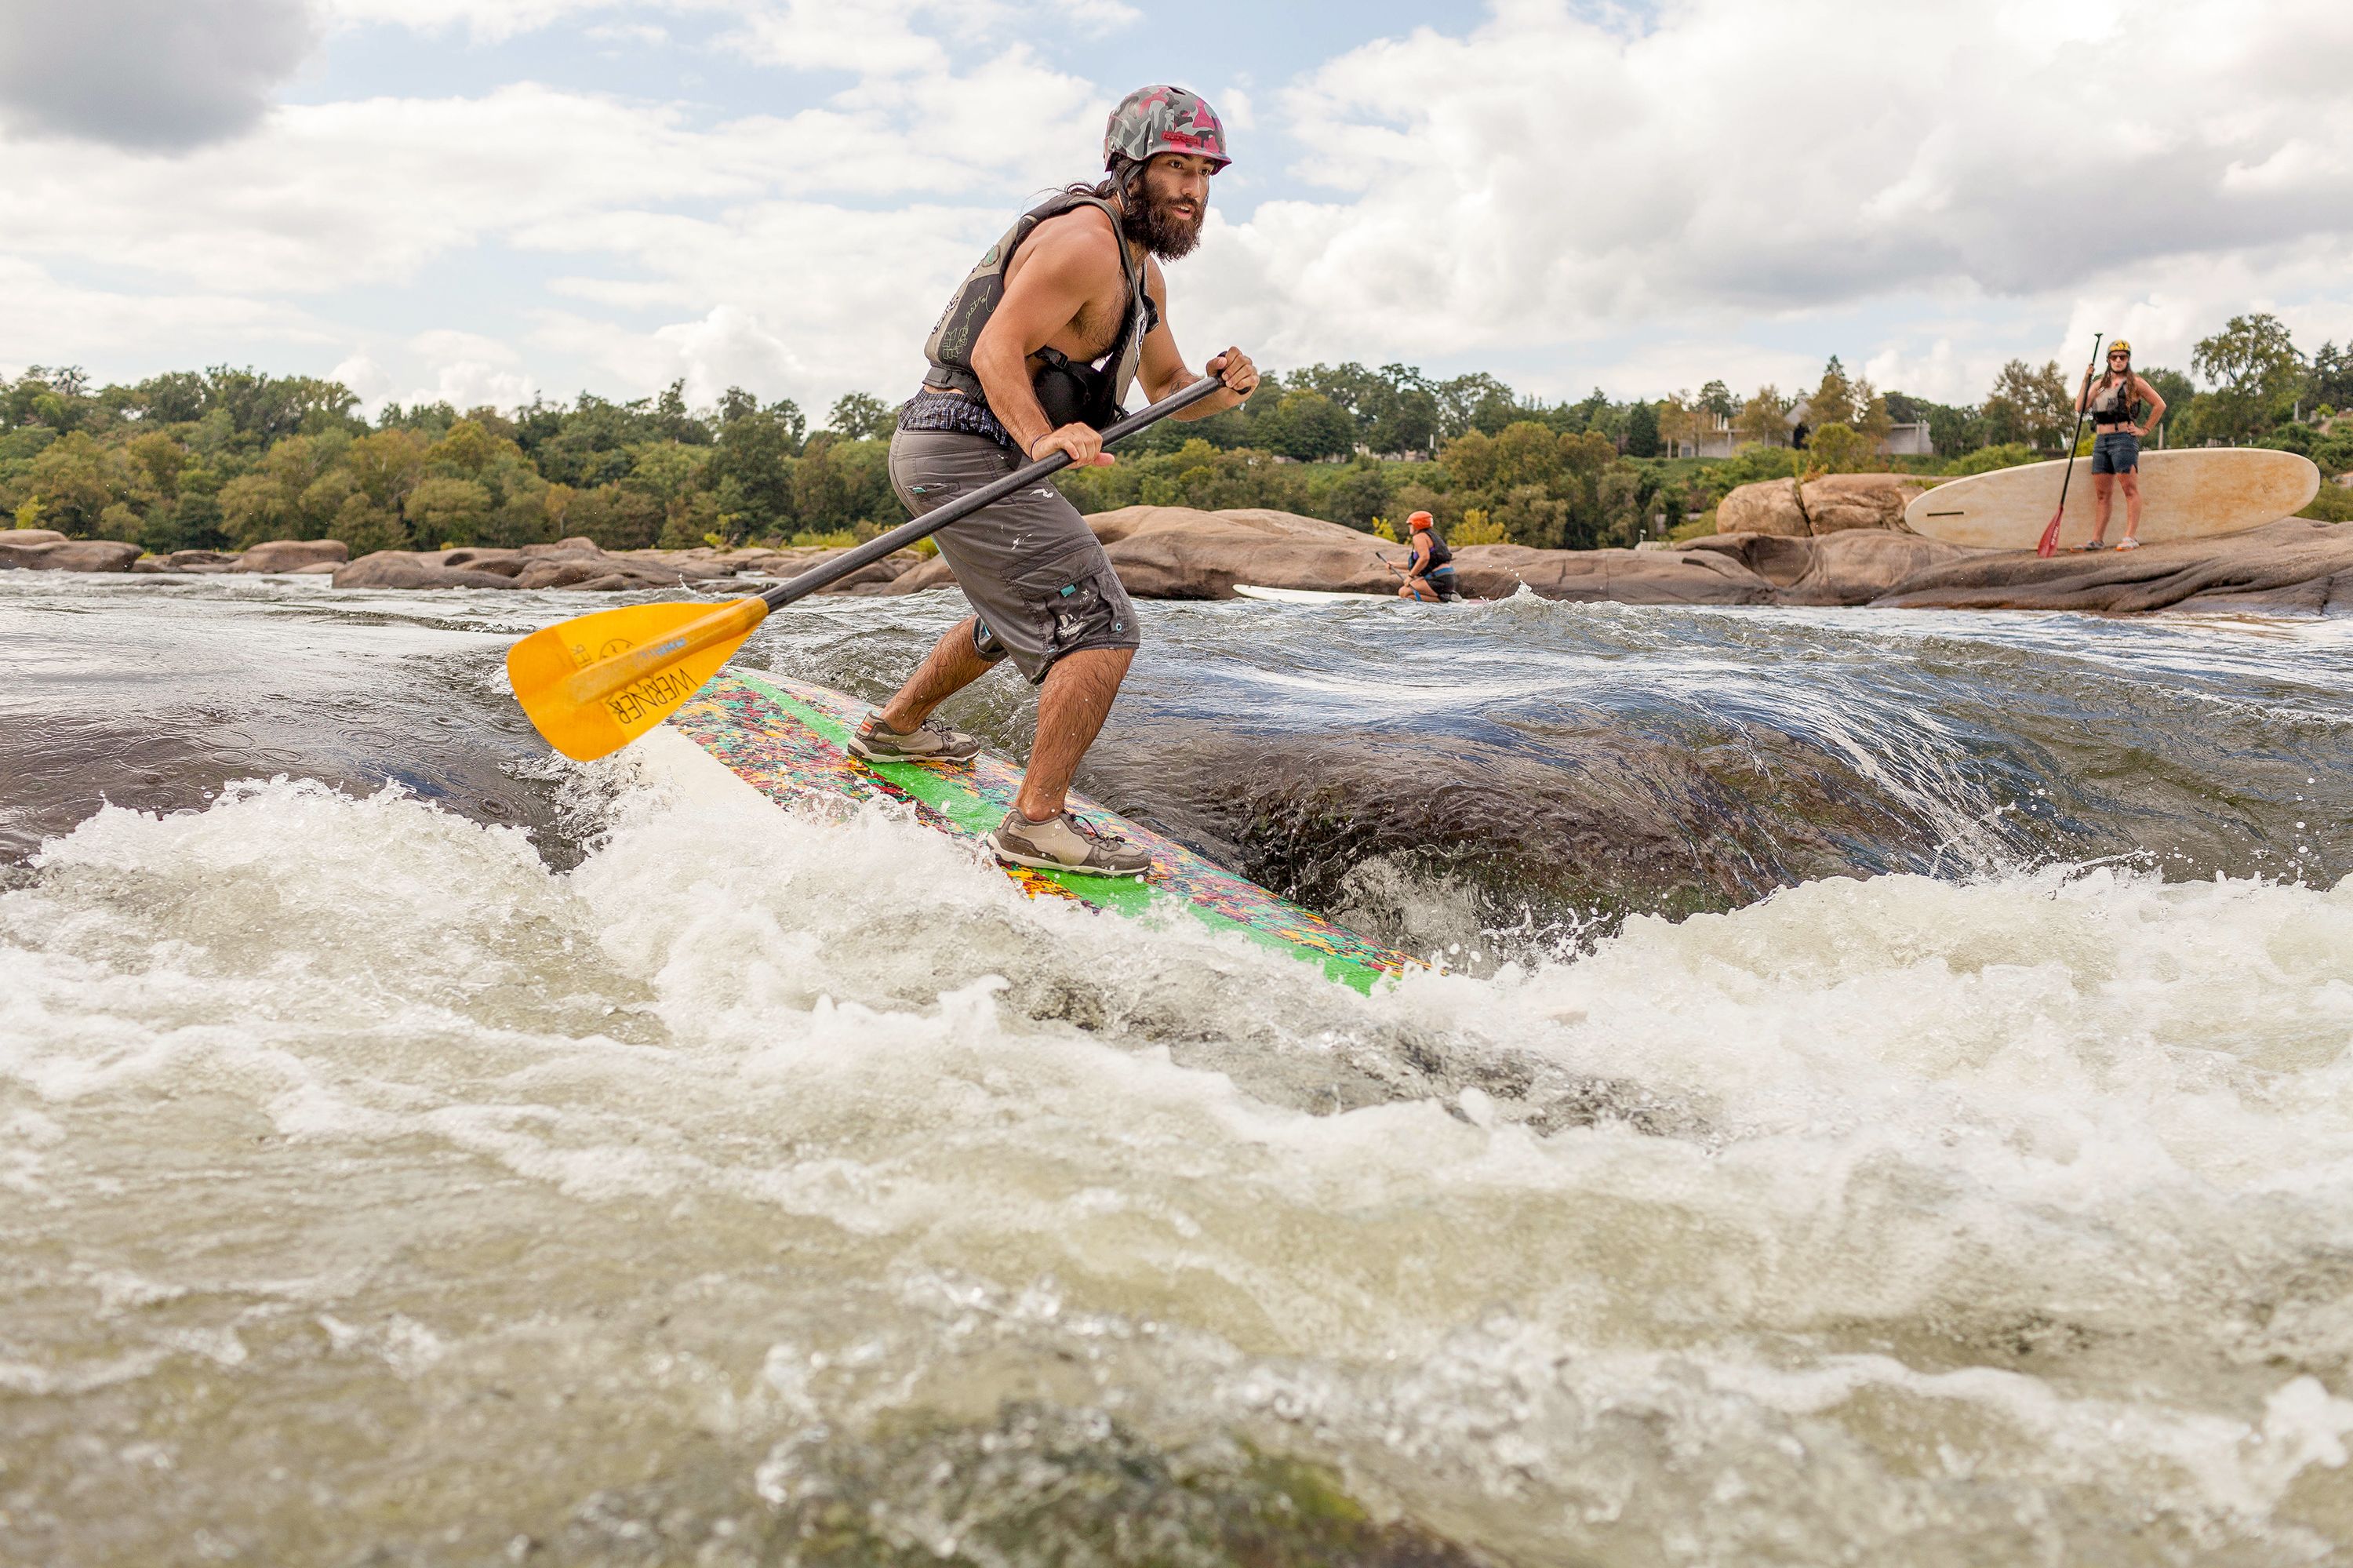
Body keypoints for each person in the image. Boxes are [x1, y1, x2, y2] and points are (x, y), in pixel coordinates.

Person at [849, 85, 1258, 877]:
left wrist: (1221, 387)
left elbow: (1168, 387)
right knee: (1100, 625)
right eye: (1175, 167)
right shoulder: (1083, 245)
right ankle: (1035, 823)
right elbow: (994, 349)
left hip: (981, 456)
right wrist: (1042, 436)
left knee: (1020, 617)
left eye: (1205, 173)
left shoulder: (1143, 276)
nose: (1192, 190)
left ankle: (895, 729)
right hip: (960, 446)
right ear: (1127, 167)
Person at [2074, 339, 2167, 551]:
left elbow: (2160, 404)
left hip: (2123, 439)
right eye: (2114, 357)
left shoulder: (2136, 383)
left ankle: (2130, 537)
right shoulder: (2099, 384)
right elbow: (2080, 407)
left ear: (2128, 360)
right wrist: (2086, 380)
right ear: (2108, 360)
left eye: (2122, 357)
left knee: (2129, 489)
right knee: (2102, 495)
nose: (2118, 360)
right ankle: (2096, 539)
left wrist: (2144, 430)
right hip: (2101, 442)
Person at [1395, 511, 1461, 601]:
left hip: (1438, 579)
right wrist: (1394, 565)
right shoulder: (1431, 536)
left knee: (1403, 592)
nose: (1409, 527)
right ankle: (1446, 595)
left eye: (1410, 524)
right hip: (1448, 578)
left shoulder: (1419, 537)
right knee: (1409, 596)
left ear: (1417, 524)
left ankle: (1443, 598)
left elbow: (1424, 558)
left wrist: (1410, 577)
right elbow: (1418, 564)